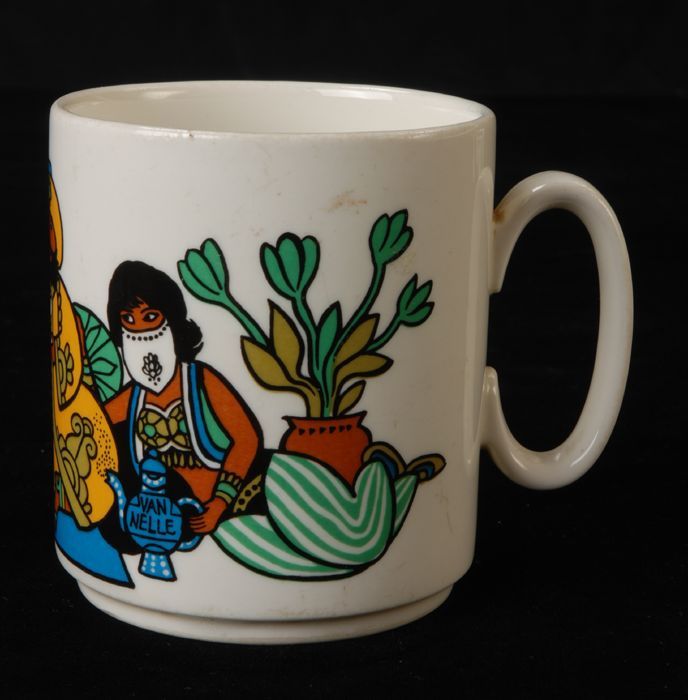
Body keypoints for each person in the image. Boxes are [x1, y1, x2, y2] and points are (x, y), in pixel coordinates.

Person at [104, 261, 262, 535]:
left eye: (150, 317)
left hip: (228, 515)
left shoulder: (201, 381)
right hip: (166, 524)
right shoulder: (133, 397)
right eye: (128, 320)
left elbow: (247, 440)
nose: (139, 330)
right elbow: (94, 423)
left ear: (172, 321)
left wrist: (220, 503)